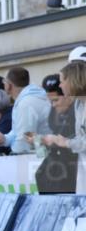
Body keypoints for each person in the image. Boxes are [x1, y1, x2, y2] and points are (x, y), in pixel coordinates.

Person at [40, 60, 86, 188]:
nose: (60, 85)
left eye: (62, 81)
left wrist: (65, 142)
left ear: (72, 80)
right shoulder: (78, 104)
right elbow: (81, 137)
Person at [0, 67, 51, 154]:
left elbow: (24, 138)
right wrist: (6, 139)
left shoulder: (26, 103)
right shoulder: (27, 99)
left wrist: (15, 155)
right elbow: (19, 130)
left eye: (4, 82)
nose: (3, 85)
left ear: (9, 85)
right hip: (41, 154)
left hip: (38, 157)